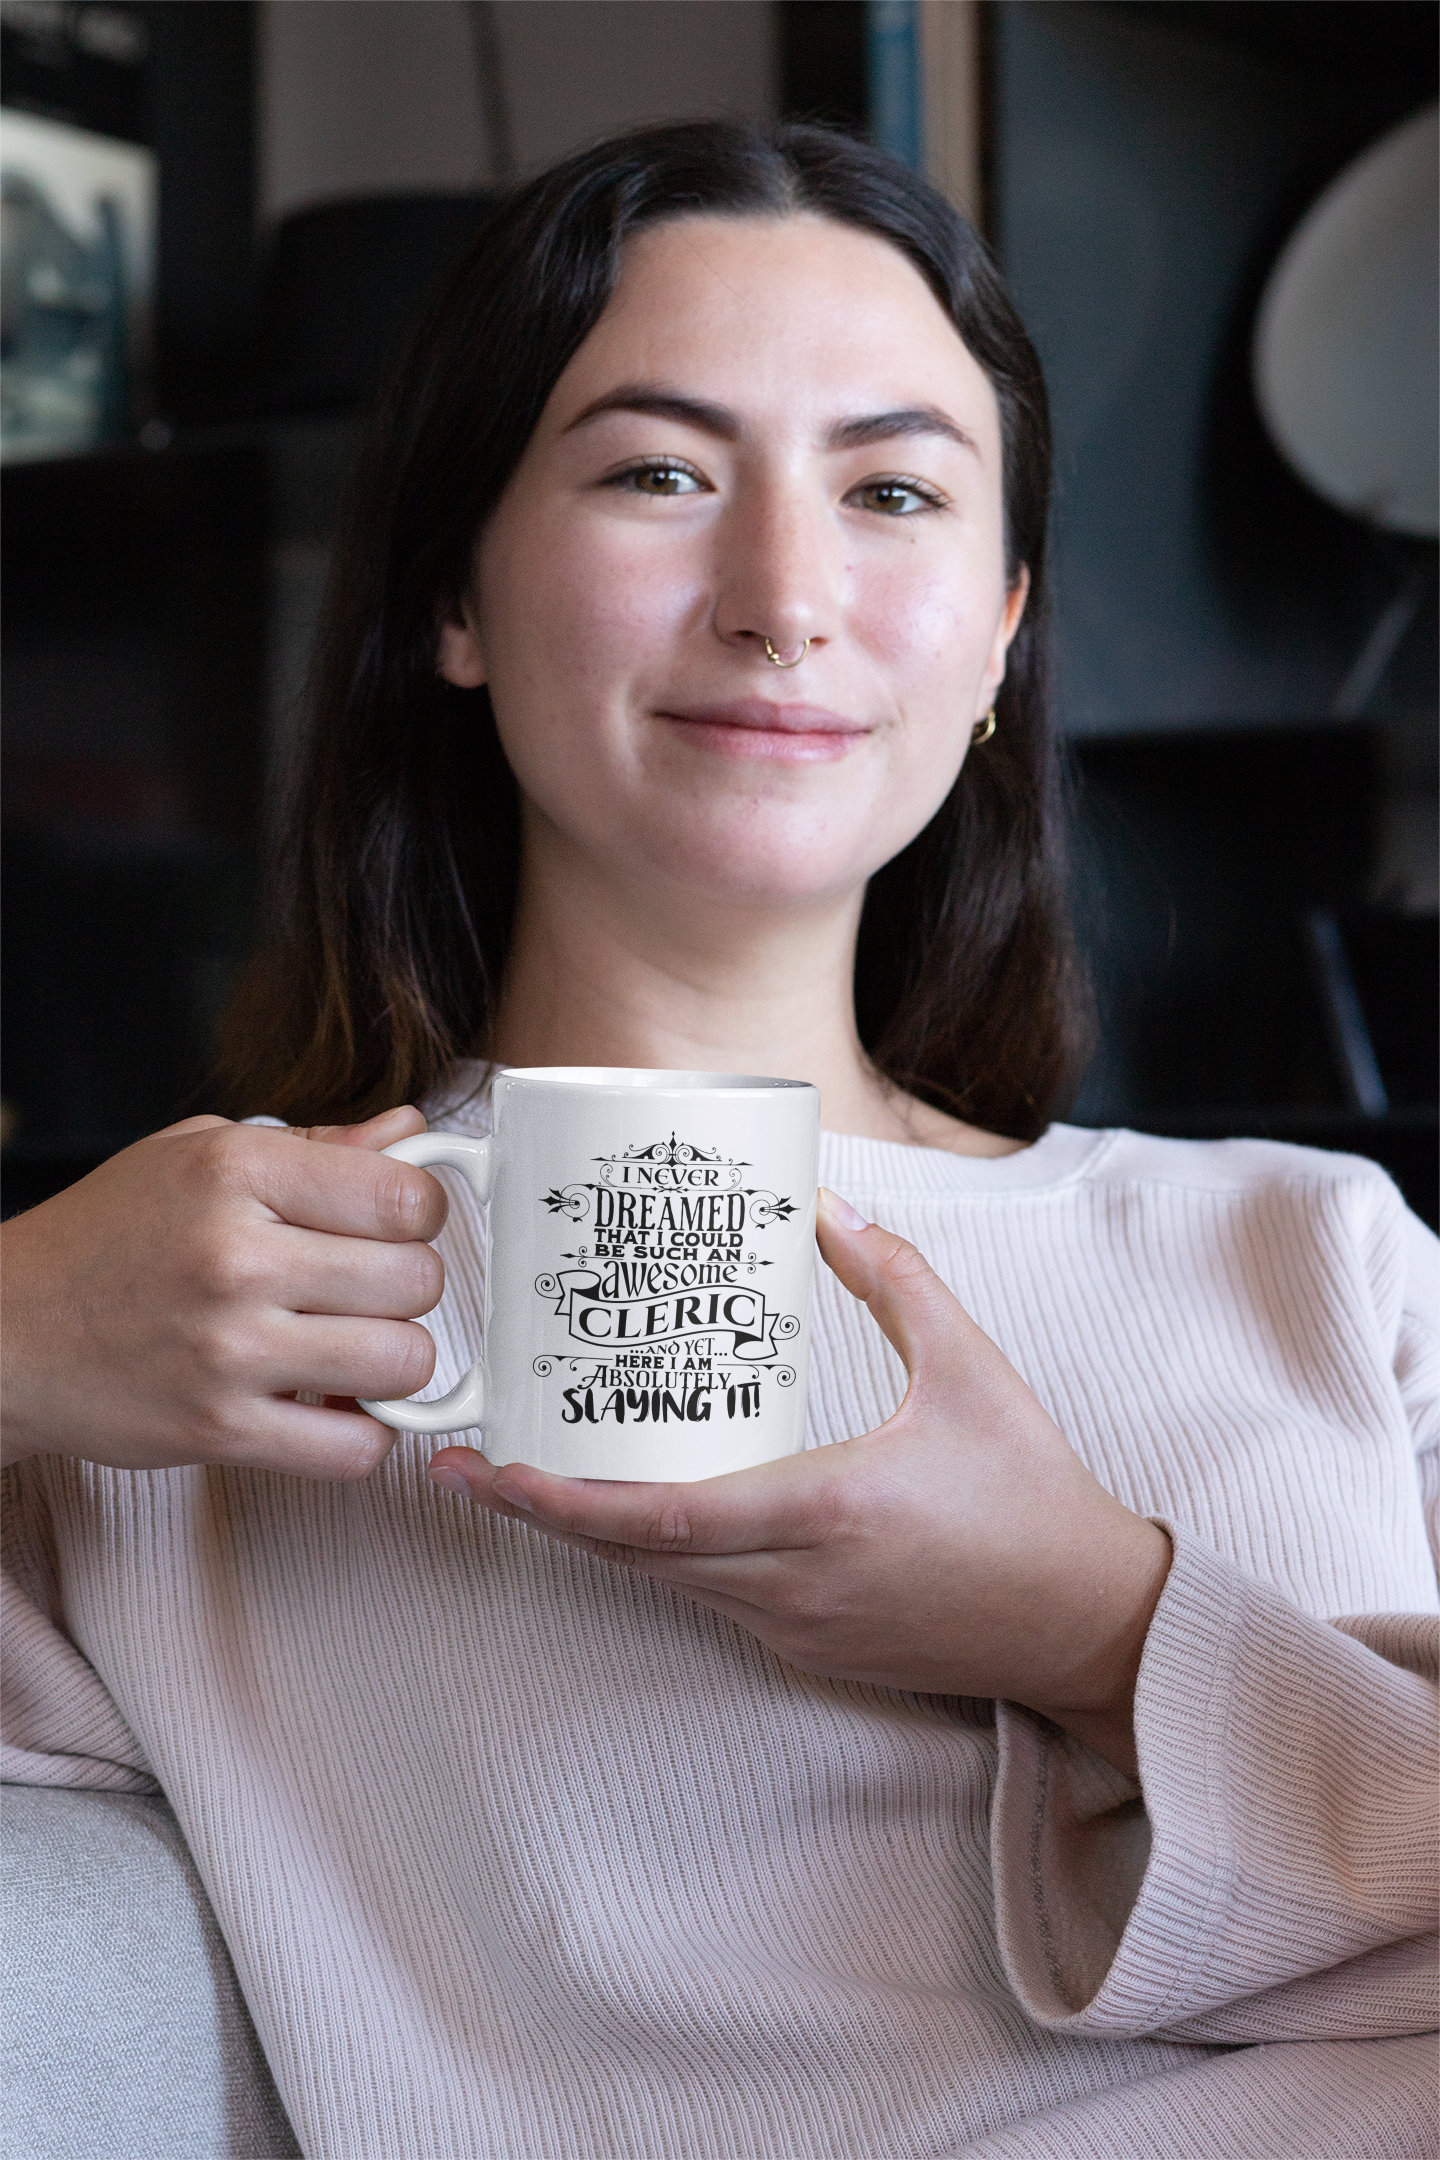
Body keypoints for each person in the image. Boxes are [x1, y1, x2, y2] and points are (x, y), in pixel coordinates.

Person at [3, 120, 1440, 2160]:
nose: (784, 600)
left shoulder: (1317, 1255)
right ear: (455, 597)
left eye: (894, 492)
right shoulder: (202, 1340)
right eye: (661, 471)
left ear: (1004, 629)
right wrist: (16, 1330)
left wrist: (1102, 1629)